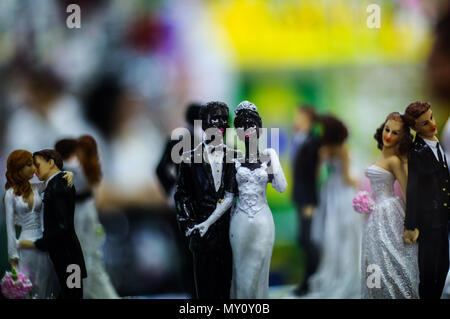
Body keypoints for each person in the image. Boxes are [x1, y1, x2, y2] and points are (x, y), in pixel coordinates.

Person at [188, 101, 287, 298]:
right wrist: (207, 222)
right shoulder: (234, 160)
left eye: (251, 124)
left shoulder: (267, 157)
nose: (247, 129)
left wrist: (273, 159)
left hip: (263, 221)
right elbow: (228, 197)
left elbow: (281, 187)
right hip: (240, 222)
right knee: (241, 273)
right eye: (241, 126)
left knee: (260, 269)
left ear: (259, 128)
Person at [174, 101, 235, 299]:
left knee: (227, 286)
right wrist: (190, 225)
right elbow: (182, 195)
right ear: (204, 123)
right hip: (202, 234)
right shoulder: (189, 160)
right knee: (205, 289)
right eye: (215, 119)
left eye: (224, 120)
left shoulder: (235, 158)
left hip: (229, 234)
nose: (220, 124)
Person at [303, 115, 363, 299]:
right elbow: (347, 177)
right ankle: (345, 274)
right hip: (344, 192)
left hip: (330, 191)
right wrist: (360, 179)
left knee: (332, 230)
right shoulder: (343, 150)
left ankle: (331, 272)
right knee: (347, 234)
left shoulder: (324, 150)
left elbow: (317, 174)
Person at [361, 112, 419, 299]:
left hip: (389, 211)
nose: (388, 135)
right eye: (387, 130)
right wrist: (366, 202)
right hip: (375, 213)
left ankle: (395, 293)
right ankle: (376, 292)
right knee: (374, 256)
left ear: (401, 138)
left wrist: (411, 224)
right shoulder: (381, 157)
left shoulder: (394, 161)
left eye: (395, 133)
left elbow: (408, 191)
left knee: (391, 255)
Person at [55, 136, 119, 299]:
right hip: (74, 209)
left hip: (86, 207)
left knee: (90, 251)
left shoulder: (87, 165)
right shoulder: (68, 167)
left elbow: (94, 183)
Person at [19, 149, 87, 299]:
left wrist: (40, 243)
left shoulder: (59, 187)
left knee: (72, 293)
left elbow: (64, 227)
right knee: (67, 291)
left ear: (50, 163)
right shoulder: (55, 183)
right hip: (62, 254)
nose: (34, 170)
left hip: (68, 255)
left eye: (37, 165)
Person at [4, 150, 72, 298]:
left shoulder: (38, 187)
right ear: (18, 168)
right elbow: (10, 228)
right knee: (28, 283)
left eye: (34, 164)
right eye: (29, 165)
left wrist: (66, 174)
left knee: (45, 280)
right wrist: (13, 256)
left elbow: (54, 179)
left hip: (43, 241)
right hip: (25, 243)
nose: (34, 168)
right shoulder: (10, 194)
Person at [402, 101, 449, 299]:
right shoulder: (416, 153)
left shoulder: (438, 145)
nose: (431, 124)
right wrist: (410, 224)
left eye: (431, 117)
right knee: (428, 268)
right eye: (424, 123)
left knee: (444, 264)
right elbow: (412, 191)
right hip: (428, 219)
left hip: (443, 217)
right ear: (415, 128)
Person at [290, 105, 322, 296]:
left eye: (299, 116)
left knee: (307, 239)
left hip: (308, 198)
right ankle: (308, 280)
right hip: (300, 195)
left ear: (308, 118)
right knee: (303, 238)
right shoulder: (299, 138)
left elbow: (313, 175)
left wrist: (310, 201)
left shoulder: (314, 141)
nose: (296, 118)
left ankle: (311, 281)